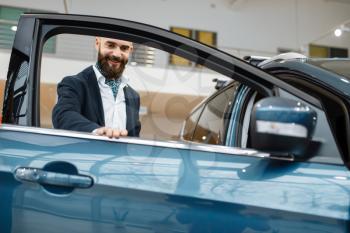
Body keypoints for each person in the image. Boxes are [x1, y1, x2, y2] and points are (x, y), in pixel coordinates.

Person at [52, 37, 141, 138]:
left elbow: (134, 137)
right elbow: (63, 115)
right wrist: (96, 131)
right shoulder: (73, 84)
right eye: (110, 45)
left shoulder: (134, 97)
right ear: (97, 44)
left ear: (130, 50)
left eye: (124, 48)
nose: (116, 54)